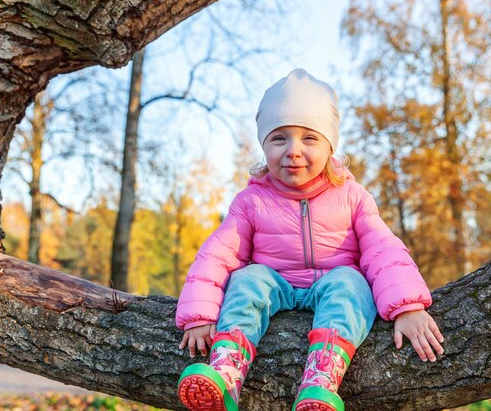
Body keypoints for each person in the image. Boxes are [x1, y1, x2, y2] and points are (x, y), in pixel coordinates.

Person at [175, 68, 444, 411]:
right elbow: (217, 255)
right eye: (279, 138)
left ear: (330, 145)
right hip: (277, 284)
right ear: (264, 146)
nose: (293, 150)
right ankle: (226, 369)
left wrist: (407, 306)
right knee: (247, 279)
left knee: (351, 282)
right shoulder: (251, 201)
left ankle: (320, 381)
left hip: (333, 284)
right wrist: (199, 315)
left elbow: (382, 249)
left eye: (309, 138)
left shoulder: (353, 197)